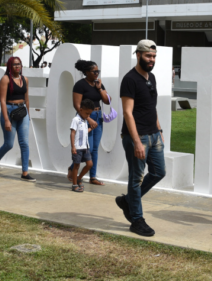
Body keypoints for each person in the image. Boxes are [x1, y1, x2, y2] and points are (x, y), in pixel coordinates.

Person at [114, 39, 166, 237]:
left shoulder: (150, 77)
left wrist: (159, 131)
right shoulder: (130, 79)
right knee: (136, 178)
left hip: (154, 135)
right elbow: (128, 113)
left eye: (153, 56)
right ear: (138, 55)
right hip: (138, 136)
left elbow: (151, 107)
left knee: (159, 172)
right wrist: (136, 142)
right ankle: (136, 219)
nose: (151, 59)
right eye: (148, 56)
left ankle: (127, 201)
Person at [0, 56, 34, 181]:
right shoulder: (5, 79)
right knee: (9, 144)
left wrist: (28, 114)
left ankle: (25, 172)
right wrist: (7, 119)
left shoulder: (25, 79)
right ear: (10, 66)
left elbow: (27, 98)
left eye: (19, 64)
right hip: (9, 110)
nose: (17, 66)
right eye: (14, 64)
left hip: (22, 111)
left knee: (24, 143)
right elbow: (2, 101)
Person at [67, 59, 110, 186]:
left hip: (98, 116)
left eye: (98, 71)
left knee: (95, 149)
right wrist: (88, 119)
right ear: (86, 72)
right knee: (86, 148)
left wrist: (100, 89)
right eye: (94, 71)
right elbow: (77, 104)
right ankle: (72, 168)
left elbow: (108, 101)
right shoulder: (80, 85)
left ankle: (92, 177)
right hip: (84, 118)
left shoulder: (99, 84)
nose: (97, 73)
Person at [70, 99, 96, 192]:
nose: (88, 116)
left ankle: (79, 178)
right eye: (87, 113)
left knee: (90, 164)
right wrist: (73, 146)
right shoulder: (76, 120)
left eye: (89, 114)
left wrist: (91, 128)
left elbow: (85, 132)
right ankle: (74, 184)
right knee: (76, 166)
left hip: (86, 147)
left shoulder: (85, 120)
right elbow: (73, 133)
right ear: (80, 110)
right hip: (77, 147)